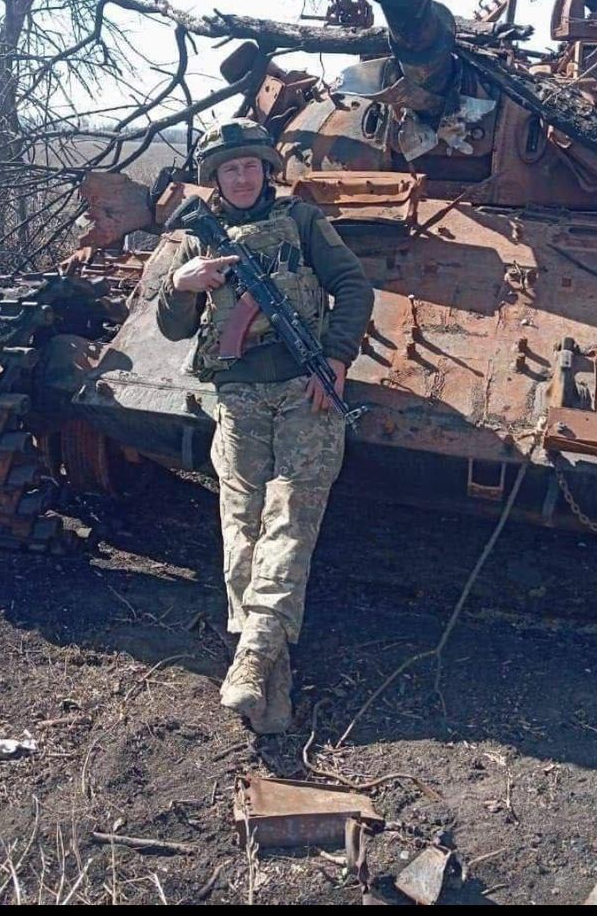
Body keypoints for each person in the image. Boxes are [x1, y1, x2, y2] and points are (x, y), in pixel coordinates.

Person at [157, 118, 374, 734]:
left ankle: (251, 658)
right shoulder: (197, 239)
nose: (243, 177)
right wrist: (180, 285)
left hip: (304, 390)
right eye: (231, 169)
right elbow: (173, 328)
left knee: (289, 518)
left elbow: (352, 285)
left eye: (251, 166)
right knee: (241, 525)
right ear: (216, 178)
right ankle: (268, 681)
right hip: (238, 394)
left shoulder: (302, 221)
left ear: (266, 170)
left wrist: (336, 356)